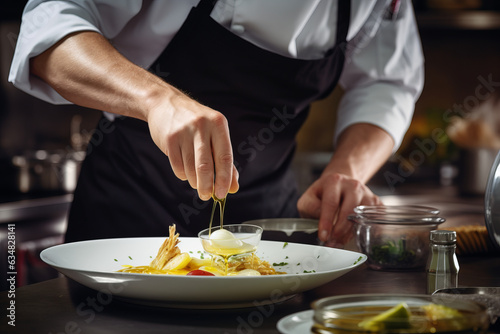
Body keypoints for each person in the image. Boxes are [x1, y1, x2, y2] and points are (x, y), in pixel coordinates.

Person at [9, 0, 424, 247]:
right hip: (128, 212)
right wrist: (157, 100)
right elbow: (49, 32)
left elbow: (388, 82)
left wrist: (346, 172)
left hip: (268, 227)